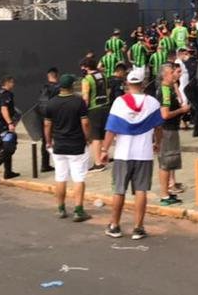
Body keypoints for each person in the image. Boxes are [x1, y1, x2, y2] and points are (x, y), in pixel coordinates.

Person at [99, 67, 165, 239]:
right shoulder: (152, 102)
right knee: (141, 190)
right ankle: (138, 227)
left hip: (123, 154)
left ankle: (114, 225)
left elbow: (111, 129)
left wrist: (104, 149)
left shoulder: (119, 102)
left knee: (119, 190)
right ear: (143, 84)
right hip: (144, 154)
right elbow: (159, 128)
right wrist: (157, 143)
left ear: (127, 83)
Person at [44, 73, 91, 222]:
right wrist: (87, 138)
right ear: (72, 86)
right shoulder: (79, 102)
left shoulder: (51, 103)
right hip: (77, 145)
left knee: (60, 177)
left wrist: (48, 141)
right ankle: (78, 210)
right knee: (78, 177)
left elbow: (47, 125)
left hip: (59, 145)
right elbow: (85, 123)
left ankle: (61, 208)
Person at [155, 63, 191, 206]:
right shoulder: (165, 91)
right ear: (164, 75)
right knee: (166, 162)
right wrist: (182, 111)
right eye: (172, 73)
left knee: (169, 162)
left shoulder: (169, 88)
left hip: (170, 129)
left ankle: (168, 191)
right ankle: (165, 195)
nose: (175, 75)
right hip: (167, 130)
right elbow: (165, 114)